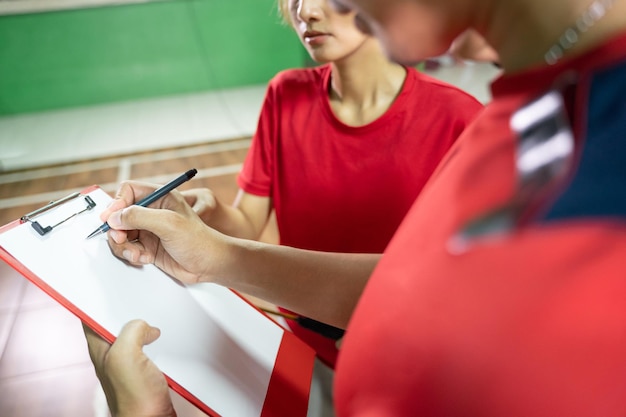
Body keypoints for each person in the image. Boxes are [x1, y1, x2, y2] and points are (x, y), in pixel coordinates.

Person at [84, 0, 626, 416]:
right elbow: (417, 286)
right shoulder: (527, 109)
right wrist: (216, 256)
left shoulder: (490, 118)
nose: (311, 9)